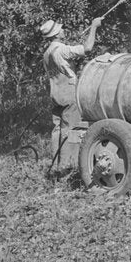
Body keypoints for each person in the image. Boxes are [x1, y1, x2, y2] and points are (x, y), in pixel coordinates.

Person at [41, 16, 102, 160]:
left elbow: (61, 67)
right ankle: (69, 166)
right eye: (60, 29)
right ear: (56, 34)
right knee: (72, 129)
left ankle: (57, 165)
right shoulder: (61, 49)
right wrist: (94, 26)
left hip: (55, 95)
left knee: (58, 130)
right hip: (68, 94)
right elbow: (87, 48)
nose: (63, 30)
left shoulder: (46, 54)